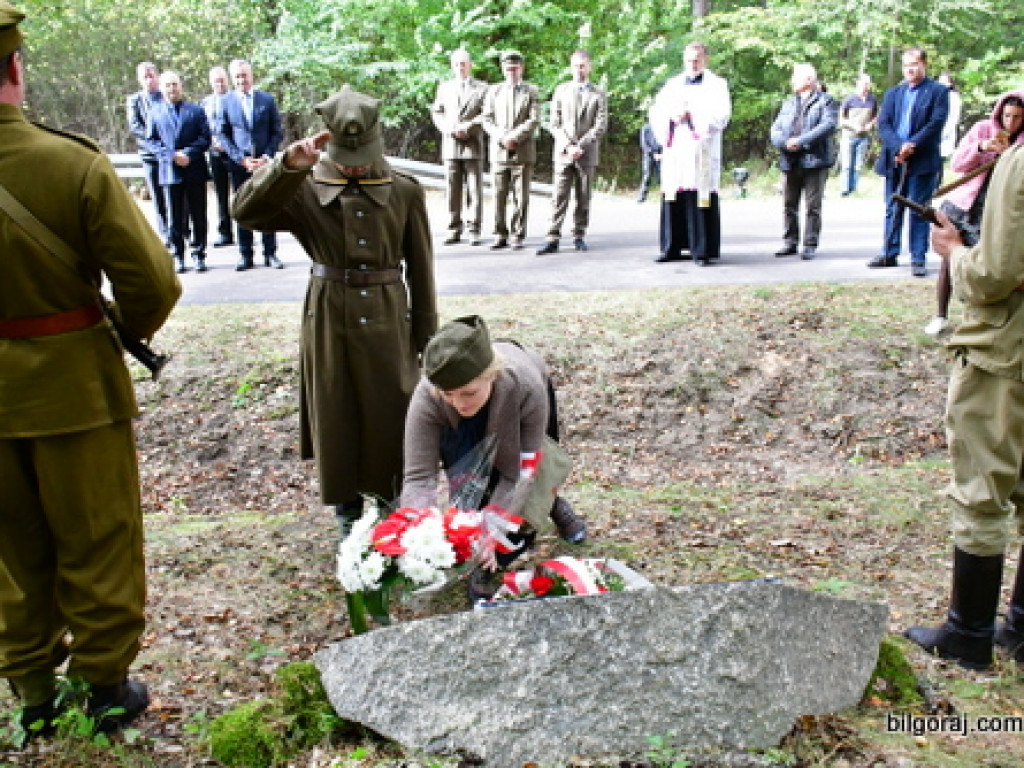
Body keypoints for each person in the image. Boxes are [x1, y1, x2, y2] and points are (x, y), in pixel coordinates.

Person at [0, 0, 181, 739]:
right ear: (15, 67)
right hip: (74, 388)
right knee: (97, 535)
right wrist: (120, 331)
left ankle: (32, 695)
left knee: (9, 548)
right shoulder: (69, 163)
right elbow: (152, 282)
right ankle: (104, 687)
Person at [231, 84, 437, 534]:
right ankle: (346, 510)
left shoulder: (403, 190)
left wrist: (427, 338)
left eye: (362, 155)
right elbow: (244, 213)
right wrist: (285, 167)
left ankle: (391, 503)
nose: (354, 165)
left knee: (392, 409)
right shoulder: (302, 188)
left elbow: (421, 268)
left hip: (388, 314)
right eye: (346, 156)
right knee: (335, 407)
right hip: (328, 315)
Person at [904, 143, 1024, 671]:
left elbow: (993, 275)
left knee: (982, 490)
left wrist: (955, 251)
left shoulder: (1020, 163)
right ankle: (1021, 629)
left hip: (1007, 352)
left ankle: (968, 634)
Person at [401, 315, 588, 596]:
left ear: (491, 374)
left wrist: (493, 530)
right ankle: (475, 547)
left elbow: (520, 473)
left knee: (536, 479)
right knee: (470, 482)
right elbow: (418, 476)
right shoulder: (429, 395)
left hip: (517, 410)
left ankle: (549, 507)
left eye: (468, 393)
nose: (458, 403)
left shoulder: (526, 387)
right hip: (459, 429)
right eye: (448, 394)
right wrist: (417, 530)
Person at [924, 91, 1024, 337]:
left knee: (982, 265)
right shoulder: (982, 129)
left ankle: (975, 318)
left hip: (995, 211)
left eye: (1017, 117)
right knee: (949, 258)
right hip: (965, 204)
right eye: (1007, 115)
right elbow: (958, 163)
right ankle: (940, 315)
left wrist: (1008, 156)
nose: (1011, 122)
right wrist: (982, 147)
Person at [868, 47, 948, 277]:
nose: (909, 69)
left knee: (918, 210)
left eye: (914, 64)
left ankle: (918, 258)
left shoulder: (938, 92)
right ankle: (889, 252)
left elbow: (936, 124)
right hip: (894, 159)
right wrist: (898, 146)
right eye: (906, 65)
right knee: (892, 208)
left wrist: (912, 145)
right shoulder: (894, 93)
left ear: (924, 64)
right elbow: (884, 123)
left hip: (922, 160)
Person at [649, 41, 731, 266]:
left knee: (700, 196)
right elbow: (656, 112)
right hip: (677, 149)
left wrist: (692, 115)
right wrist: (671, 116)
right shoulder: (672, 85)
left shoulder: (717, 85)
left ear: (705, 60)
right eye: (689, 60)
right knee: (674, 195)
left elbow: (722, 116)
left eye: (697, 60)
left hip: (701, 150)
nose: (693, 64)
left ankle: (701, 250)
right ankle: (671, 247)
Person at [536, 50, 608, 256]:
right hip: (563, 153)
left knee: (583, 197)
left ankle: (579, 235)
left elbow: (600, 125)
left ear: (589, 67)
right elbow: (554, 123)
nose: (579, 70)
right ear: (571, 67)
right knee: (558, 196)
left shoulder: (598, 93)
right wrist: (569, 146)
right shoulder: (561, 90)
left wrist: (581, 146)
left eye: (583, 66)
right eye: (576, 66)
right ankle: (552, 237)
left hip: (586, 153)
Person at [768, 63, 838, 261]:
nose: (792, 81)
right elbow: (776, 129)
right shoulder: (789, 103)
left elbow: (828, 125)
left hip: (815, 160)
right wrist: (785, 143)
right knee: (789, 204)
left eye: (796, 77)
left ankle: (809, 244)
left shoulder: (826, 101)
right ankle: (790, 242)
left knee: (813, 206)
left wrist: (801, 141)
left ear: (809, 79)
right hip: (790, 160)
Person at [220, 58, 284, 271]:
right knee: (243, 208)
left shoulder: (267, 100)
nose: (242, 80)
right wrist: (241, 158)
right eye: (237, 76)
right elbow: (223, 134)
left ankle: (270, 253)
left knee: (268, 207)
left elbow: (277, 131)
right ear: (232, 78)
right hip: (240, 165)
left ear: (251, 75)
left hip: (264, 165)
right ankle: (245, 254)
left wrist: (266, 156)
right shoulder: (226, 102)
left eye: (244, 75)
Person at [148, 70, 211, 274]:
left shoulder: (196, 111)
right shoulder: (155, 112)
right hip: (170, 171)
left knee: (198, 214)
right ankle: (178, 255)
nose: (172, 89)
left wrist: (188, 153)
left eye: (175, 84)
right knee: (174, 217)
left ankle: (199, 254)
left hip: (194, 169)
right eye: (168, 85)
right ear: (162, 88)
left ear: (181, 86)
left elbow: (205, 138)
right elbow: (151, 141)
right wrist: (172, 155)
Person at [481, 50, 539, 250]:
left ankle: (517, 234)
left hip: (522, 151)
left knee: (521, 197)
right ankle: (500, 234)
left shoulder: (531, 91)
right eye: (508, 69)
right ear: (502, 69)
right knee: (498, 195)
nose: (511, 72)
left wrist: (515, 136)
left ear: (521, 68)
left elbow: (534, 119)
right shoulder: (493, 91)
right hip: (499, 152)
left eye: (515, 68)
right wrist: (501, 136)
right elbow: (486, 119)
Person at [431, 48, 488, 246]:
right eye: (456, 64)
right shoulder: (444, 88)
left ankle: (474, 229)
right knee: (452, 189)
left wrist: (469, 127)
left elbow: (487, 114)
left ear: (470, 65)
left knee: (474, 189)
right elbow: (437, 112)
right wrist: (449, 128)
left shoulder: (482, 88)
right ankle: (453, 228)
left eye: (463, 63)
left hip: (473, 144)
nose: (460, 67)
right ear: (452, 66)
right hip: (451, 144)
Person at [126, 61, 170, 245]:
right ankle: (165, 233)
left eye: (152, 76)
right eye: (145, 77)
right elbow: (135, 126)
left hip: (169, 153)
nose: (149, 80)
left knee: (175, 194)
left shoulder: (166, 96)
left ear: (157, 77)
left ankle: (181, 229)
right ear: (139, 80)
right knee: (157, 195)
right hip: (149, 155)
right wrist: (154, 141)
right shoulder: (134, 100)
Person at [203, 66, 234, 248]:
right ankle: (225, 232)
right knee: (221, 195)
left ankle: (245, 231)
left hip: (235, 154)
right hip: (215, 153)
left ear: (227, 80)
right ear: (211, 83)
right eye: (216, 81)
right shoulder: (206, 103)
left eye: (222, 80)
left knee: (240, 192)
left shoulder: (235, 99)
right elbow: (203, 128)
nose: (220, 84)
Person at [838, 73, 877, 197]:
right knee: (847, 165)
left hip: (863, 137)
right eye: (864, 83)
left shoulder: (872, 99)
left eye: (868, 83)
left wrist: (871, 124)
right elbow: (841, 120)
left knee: (858, 166)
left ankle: (853, 189)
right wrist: (853, 126)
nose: (866, 86)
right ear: (858, 83)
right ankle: (844, 190)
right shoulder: (849, 99)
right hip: (849, 136)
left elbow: (875, 116)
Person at [937, 72, 962, 163]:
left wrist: (942, 134)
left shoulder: (953, 97)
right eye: (940, 81)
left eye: (944, 81)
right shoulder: (937, 96)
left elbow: (953, 118)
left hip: (945, 135)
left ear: (950, 83)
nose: (941, 83)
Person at [637, 122, 662, 203]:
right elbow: (644, 144)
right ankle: (642, 197)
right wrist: (653, 153)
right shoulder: (645, 128)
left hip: (660, 155)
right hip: (648, 156)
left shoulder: (662, 127)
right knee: (647, 176)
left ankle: (664, 197)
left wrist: (661, 154)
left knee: (662, 177)